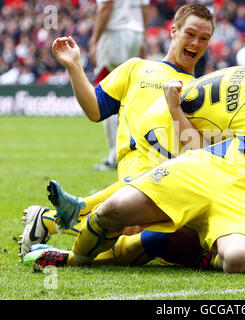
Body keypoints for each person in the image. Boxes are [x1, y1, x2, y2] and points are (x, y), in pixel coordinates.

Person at [23, 66, 245, 273]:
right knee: (127, 214)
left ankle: (73, 219)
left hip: (225, 174)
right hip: (181, 137)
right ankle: (67, 224)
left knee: (160, 231)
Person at [26, 107, 245, 273]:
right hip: (208, 177)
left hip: (238, 223)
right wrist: (175, 108)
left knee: (150, 241)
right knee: (132, 207)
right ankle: (66, 226)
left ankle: (68, 240)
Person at [18, 2, 216, 260]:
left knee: (155, 244)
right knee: (150, 238)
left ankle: (52, 225)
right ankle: (60, 225)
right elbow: (95, 110)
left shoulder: (202, 89)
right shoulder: (135, 68)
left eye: (204, 38)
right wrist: (74, 66)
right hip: (138, 173)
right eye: (190, 34)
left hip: (170, 180)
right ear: (173, 31)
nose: (196, 43)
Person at [90, 0, 150, 170]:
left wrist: (94, 39)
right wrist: (141, 37)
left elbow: (106, 5)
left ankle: (115, 155)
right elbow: (145, 8)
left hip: (114, 33)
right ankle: (131, 149)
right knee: (129, 94)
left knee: (107, 91)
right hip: (135, 32)